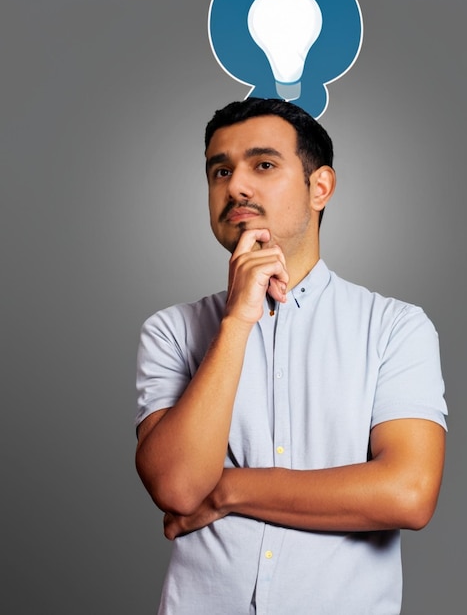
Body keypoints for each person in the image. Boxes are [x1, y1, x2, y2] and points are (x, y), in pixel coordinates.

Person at [135, 97, 448, 615]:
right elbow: (178, 486)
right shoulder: (171, 331)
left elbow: (408, 493)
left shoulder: (394, 327)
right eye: (220, 170)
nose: (235, 185)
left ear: (319, 187)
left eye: (263, 165)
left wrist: (227, 489)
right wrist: (237, 320)